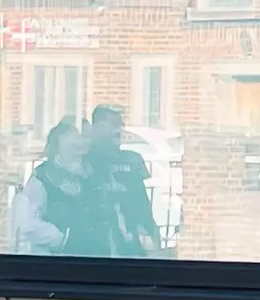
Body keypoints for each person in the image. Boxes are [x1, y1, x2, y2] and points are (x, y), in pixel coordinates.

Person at [76, 106, 163, 258]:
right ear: (96, 127)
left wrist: (152, 236)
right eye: (112, 124)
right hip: (96, 246)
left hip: (130, 244)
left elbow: (142, 204)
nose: (118, 130)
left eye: (120, 124)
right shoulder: (84, 161)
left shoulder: (131, 160)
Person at [9, 121, 85, 255]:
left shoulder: (86, 178)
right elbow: (27, 223)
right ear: (57, 149)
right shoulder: (41, 179)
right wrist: (61, 239)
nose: (75, 153)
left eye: (77, 147)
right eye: (70, 147)